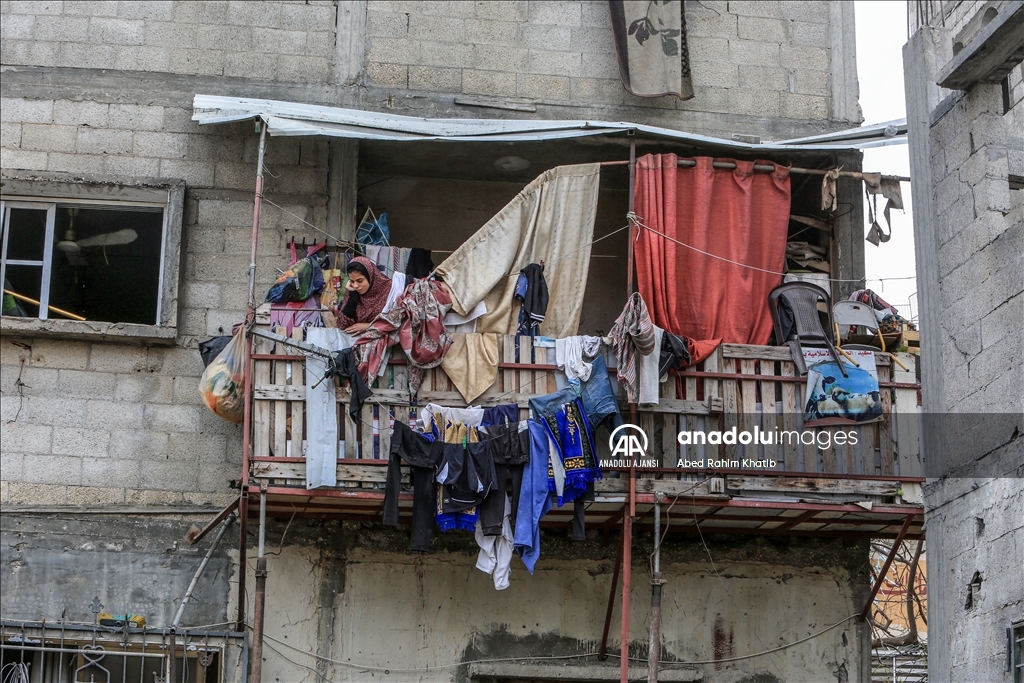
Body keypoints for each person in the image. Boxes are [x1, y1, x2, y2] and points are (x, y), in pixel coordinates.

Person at [333, 255, 394, 334]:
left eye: (360, 280)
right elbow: (342, 324)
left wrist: (369, 326)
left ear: (370, 276)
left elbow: (397, 322)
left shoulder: (390, 290)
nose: (355, 286)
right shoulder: (352, 290)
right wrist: (353, 298)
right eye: (352, 281)